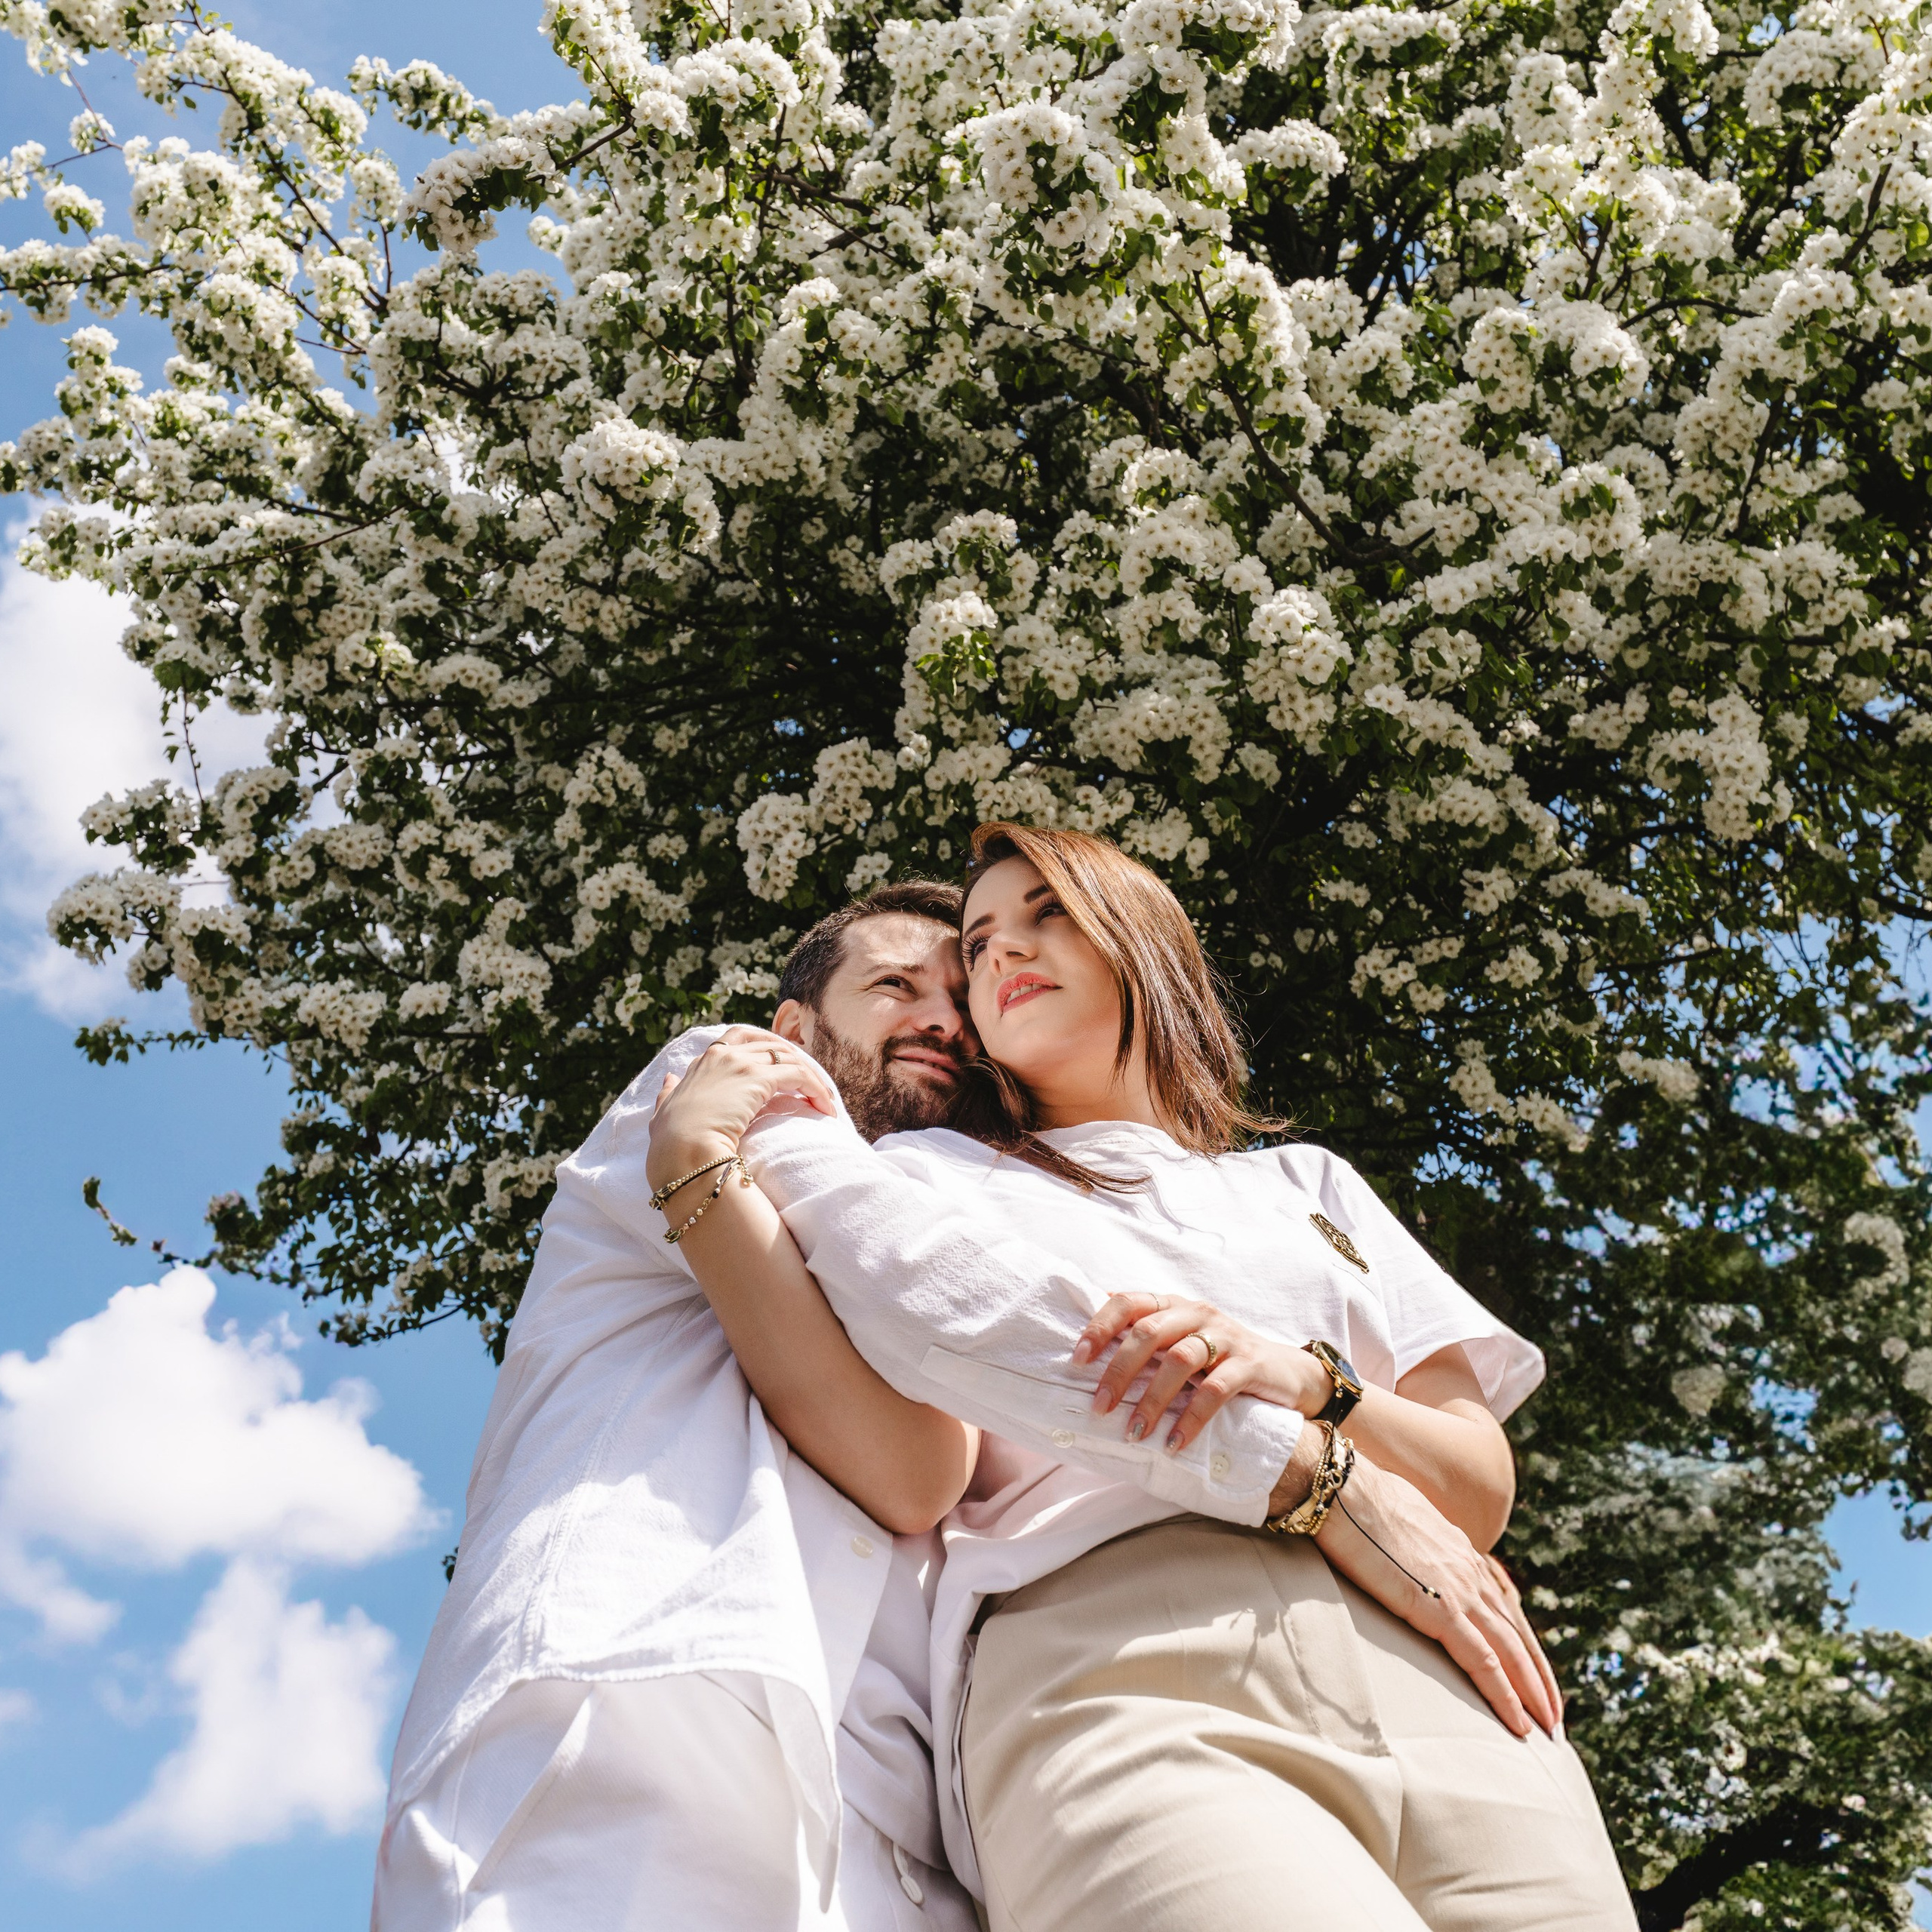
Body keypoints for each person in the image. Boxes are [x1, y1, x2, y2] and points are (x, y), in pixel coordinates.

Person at [645, 824, 1638, 1932]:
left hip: (1461, 1675)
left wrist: (1309, 1380)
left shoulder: (1310, 1185)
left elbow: (1477, 1489)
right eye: (979, 943)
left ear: (1139, 934)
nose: (1001, 952)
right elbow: (929, 1407)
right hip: (1121, 1668)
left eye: (1045, 912)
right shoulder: (920, 1172)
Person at [374, 882, 995, 1932]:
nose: (941, 1018)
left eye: (964, 1003)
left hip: (889, 1831)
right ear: (797, 1023)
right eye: (895, 985)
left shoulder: (963, 1199)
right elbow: (914, 1468)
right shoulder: (736, 1074)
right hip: (630, 1713)